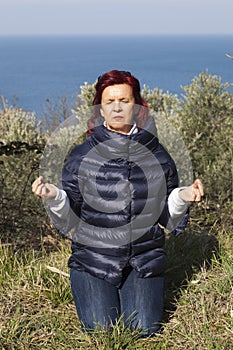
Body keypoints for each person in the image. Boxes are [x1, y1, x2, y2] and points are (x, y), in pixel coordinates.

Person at [32, 70, 204, 337]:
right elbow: (70, 220)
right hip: (93, 260)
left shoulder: (157, 154)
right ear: (100, 108)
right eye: (109, 101)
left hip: (143, 259)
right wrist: (55, 196)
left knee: (144, 330)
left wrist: (183, 196)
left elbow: (166, 217)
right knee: (101, 331)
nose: (117, 108)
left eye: (124, 100)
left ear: (136, 105)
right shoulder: (81, 155)